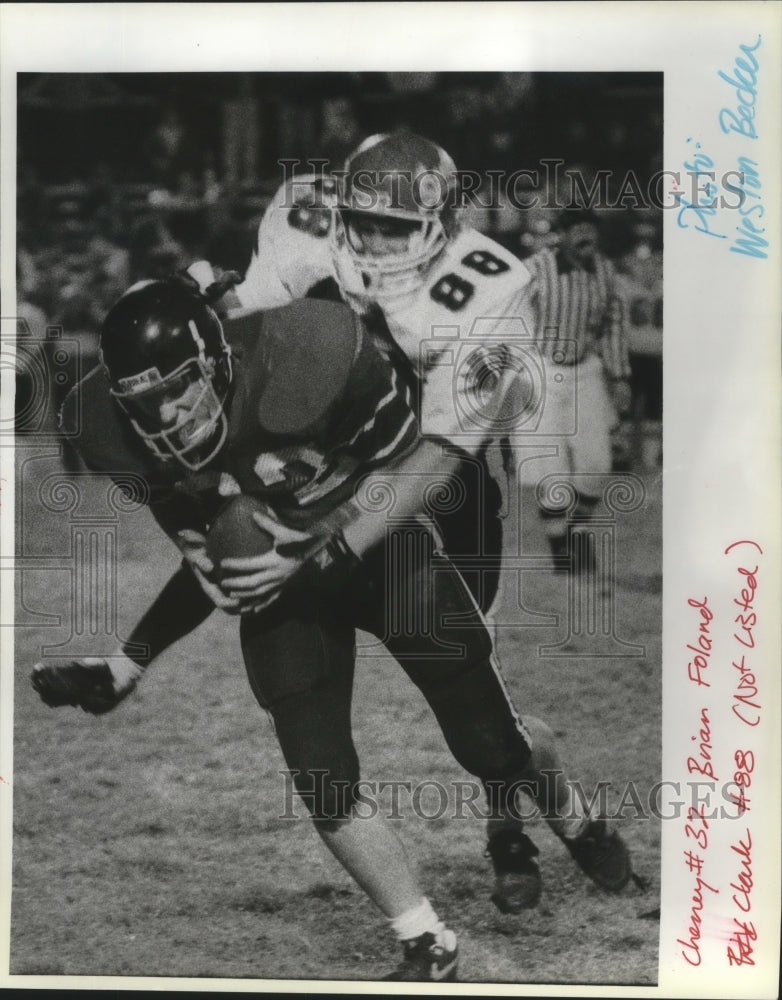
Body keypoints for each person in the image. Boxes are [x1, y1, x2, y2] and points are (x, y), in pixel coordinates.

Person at [31, 274, 634, 982]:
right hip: (290, 588)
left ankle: (573, 814)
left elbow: (418, 478)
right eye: (143, 401)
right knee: (321, 775)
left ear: (218, 361)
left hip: (382, 548)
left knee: (490, 749)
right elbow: (217, 563)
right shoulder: (112, 431)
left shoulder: (312, 352)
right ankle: (425, 939)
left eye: (176, 387)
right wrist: (128, 662)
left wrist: (320, 544)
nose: (163, 415)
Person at [230, 131, 540, 617]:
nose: (375, 244)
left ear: (444, 224)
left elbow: (441, 455)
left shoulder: (493, 287)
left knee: (466, 502)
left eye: (395, 228)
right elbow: (250, 332)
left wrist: (338, 542)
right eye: (365, 223)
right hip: (341, 405)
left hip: (430, 419)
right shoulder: (303, 219)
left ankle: (475, 627)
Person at [517, 208, 633, 574]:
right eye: (579, 231)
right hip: (543, 369)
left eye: (591, 231)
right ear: (562, 234)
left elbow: (613, 324)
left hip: (585, 369)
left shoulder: (605, 270)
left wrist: (620, 376)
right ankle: (561, 550)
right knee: (548, 469)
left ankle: (578, 530)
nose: (587, 238)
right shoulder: (533, 269)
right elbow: (510, 320)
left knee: (597, 462)